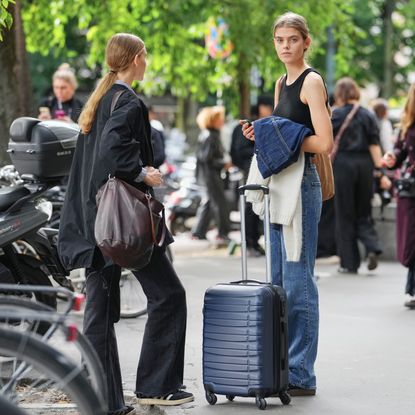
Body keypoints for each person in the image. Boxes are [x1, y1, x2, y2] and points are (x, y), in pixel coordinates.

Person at [58, 33, 193, 415]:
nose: (147, 63)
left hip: (94, 220)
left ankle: (103, 400)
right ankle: (159, 387)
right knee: (169, 295)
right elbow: (113, 149)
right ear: (135, 58)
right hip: (120, 225)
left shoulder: (101, 97)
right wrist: (143, 173)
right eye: (145, 56)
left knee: (100, 312)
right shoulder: (128, 101)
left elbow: (98, 157)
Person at [242, 12, 333, 396]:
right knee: (277, 279)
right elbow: (282, 137)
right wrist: (259, 133)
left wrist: (284, 133)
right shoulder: (281, 83)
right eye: (279, 40)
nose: (285, 46)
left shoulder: (312, 82)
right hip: (280, 184)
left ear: (306, 42)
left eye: (292, 39)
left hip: (304, 185)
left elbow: (323, 142)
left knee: (299, 281)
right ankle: (281, 364)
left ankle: (301, 373)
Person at [331, 78, 383, 273]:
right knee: (364, 210)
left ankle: (349, 262)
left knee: (345, 213)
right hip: (365, 165)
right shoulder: (368, 115)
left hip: (343, 164)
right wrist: (380, 171)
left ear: (339, 94)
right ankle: (373, 246)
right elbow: (374, 145)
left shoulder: (336, 115)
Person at [382, 83, 415, 309]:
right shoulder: (408, 122)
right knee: (411, 238)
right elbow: (401, 151)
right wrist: (392, 157)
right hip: (410, 189)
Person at [230, 97, 273, 256]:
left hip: (251, 169)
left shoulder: (255, 126)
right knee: (250, 206)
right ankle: (249, 243)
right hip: (249, 171)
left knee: (254, 206)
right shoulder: (249, 127)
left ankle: (253, 242)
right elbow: (240, 151)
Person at [191, 106, 232, 244]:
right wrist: (224, 164)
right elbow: (207, 158)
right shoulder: (211, 135)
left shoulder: (208, 134)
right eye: (219, 118)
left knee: (209, 203)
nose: (222, 121)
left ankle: (199, 232)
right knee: (219, 204)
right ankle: (222, 233)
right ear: (212, 120)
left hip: (208, 175)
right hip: (211, 176)